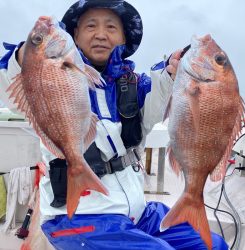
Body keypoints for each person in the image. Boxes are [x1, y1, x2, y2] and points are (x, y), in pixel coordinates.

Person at [0, 0, 228, 249]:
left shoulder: (133, 86)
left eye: (110, 27)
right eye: (90, 26)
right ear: (74, 34)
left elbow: (160, 99)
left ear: (123, 38)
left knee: (213, 245)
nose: (100, 34)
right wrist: (27, 55)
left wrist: (172, 73)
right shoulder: (45, 74)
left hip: (136, 213)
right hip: (78, 217)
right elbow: (10, 84)